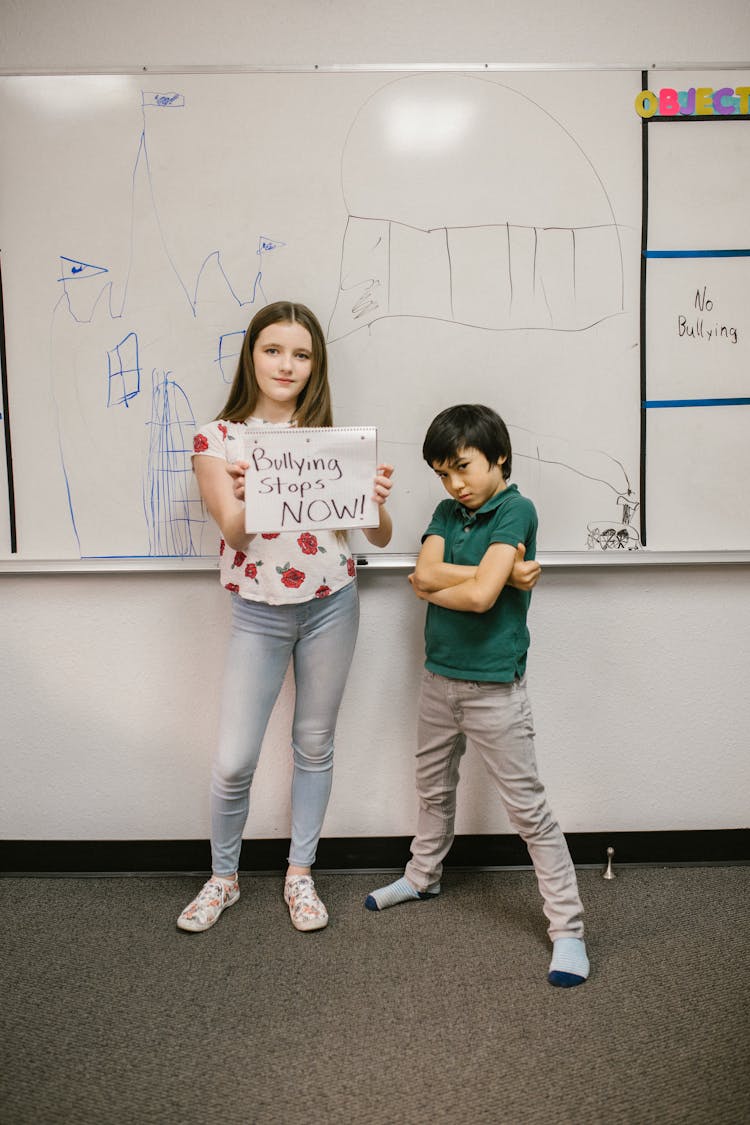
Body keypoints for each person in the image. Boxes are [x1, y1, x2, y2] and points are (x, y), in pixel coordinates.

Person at [178, 300, 393, 934]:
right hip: (259, 612)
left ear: (315, 365)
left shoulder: (330, 439)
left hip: (333, 604)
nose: (286, 364)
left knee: (315, 744)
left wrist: (375, 502)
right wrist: (251, 497)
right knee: (234, 760)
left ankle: (300, 875)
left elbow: (376, 538)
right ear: (251, 354)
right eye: (273, 350)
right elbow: (237, 535)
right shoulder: (217, 439)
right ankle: (223, 877)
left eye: (301, 354)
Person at [365, 403, 590, 987]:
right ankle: (422, 877)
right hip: (438, 677)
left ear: (499, 458)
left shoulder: (517, 509)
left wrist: (469, 581)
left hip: (495, 687)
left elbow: (479, 599)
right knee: (432, 789)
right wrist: (494, 574)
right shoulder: (444, 509)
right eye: (442, 473)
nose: (454, 485)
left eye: (462, 468)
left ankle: (567, 931)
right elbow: (422, 575)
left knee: (529, 811)